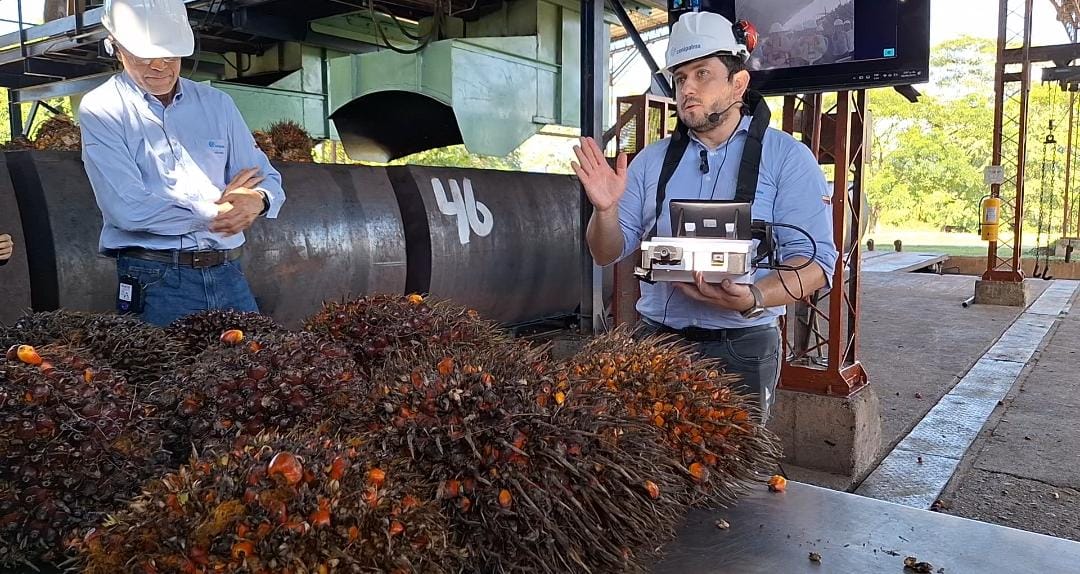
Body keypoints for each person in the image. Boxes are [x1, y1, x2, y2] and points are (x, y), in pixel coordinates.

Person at [571, 11, 837, 422]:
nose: (687, 88)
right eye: (680, 78)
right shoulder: (650, 162)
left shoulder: (787, 158)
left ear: (739, 82)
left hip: (744, 344)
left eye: (702, 74)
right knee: (652, 467)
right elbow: (605, 252)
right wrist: (604, 210)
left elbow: (817, 263)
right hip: (657, 341)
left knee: (734, 473)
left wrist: (754, 298)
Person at [78, 0, 285, 327]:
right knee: (165, 374)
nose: (159, 66)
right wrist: (217, 211)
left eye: (170, 55)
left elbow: (264, 177)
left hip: (228, 271)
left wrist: (257, 201)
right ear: (115, 48)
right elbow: (128, 207)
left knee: (252, 366)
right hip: (156, 278)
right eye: (143, 57)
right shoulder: (102, 109)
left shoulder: (217, 105)